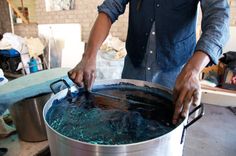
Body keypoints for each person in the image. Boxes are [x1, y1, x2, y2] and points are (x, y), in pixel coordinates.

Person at [68, 0, 229, 124]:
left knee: (169, 130)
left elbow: (218, 18)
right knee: (129, 126)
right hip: (134, 67)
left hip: (176, 73)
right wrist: (89, 56)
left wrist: (193, 69)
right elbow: (111, 6)